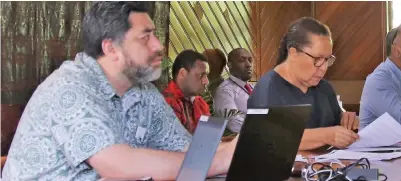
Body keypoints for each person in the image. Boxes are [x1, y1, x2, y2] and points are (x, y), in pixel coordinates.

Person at [1, 2, 236, 180]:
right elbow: (117, 164)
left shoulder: (143, 92)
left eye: (155, 34)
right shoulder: (69, 86)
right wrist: (219, 161)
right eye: (145, 37)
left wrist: (243, 145)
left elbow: (186, 148)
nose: (158, 46)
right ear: (111, 48)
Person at [247, 17, 359, 150]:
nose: (323, 67)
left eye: (327, 59)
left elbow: (337, 119)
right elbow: (267, 138)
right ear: (293, 53)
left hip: (332, 167)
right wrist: (326, 136)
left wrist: (347, 120)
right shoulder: (266, 89)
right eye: (317, 59)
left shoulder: (324, 88)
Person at [162, 50, 211, 134]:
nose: (206, 81)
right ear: (182, 73)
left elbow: (209, 137)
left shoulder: (199, 103)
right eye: (201, 75)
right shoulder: (167, 103)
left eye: (206, 76)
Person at [214, 48, 255, 132]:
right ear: (230, 65)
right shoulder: (225, 90)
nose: (248, 64)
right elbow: (233, 122)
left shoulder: (253, 88)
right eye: (242, 60)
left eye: (250, 60)